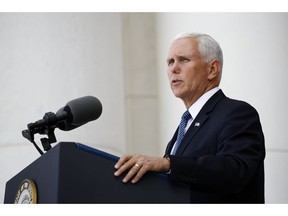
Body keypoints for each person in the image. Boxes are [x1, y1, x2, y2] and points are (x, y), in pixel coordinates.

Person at [114, 32, 265, 203]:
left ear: (212, 69)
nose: (173, 68)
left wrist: (168, 164)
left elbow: (235, 171)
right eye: (170, 62)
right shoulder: (186, 123)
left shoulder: (237, 113)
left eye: (184, 60)